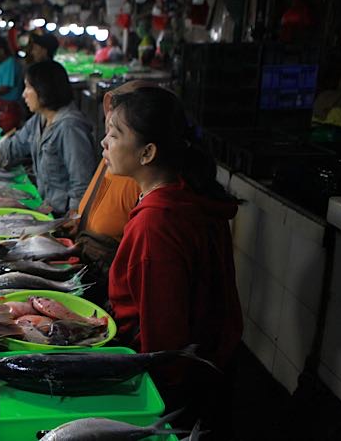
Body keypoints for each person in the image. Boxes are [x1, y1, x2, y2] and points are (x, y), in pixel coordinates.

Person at [101, 86, 242, 437]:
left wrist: (155, 403)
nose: (105, 142)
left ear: (147, 153)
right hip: (209, 362)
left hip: (174, 380)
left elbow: (164, 333)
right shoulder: (185, 193)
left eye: (114, 135)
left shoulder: (157, 224)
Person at [0, 60, 95, 216]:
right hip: (46, 207)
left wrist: (73, 219)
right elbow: (12, 147)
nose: (24, 94)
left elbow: (82, 182)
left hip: (62, 216)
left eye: (28, 87)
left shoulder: (70, 127)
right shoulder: (40, 119)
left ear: (44, 90)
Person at [65, 82, 148, 307]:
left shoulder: (142, 179)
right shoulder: (113, 157)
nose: (105, 140)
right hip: (87, 266)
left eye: (116, 132)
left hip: (109, 289)